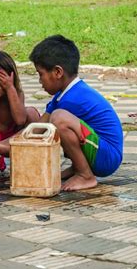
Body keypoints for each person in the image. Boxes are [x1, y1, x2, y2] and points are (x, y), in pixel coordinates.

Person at [26, 35, 123, 191]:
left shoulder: (72, 99)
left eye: (40, 74)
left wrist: (8, 147)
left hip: (108, 157)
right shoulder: (64, 94)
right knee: (57, 117)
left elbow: (43, 129)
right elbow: (39, 126)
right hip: (99, 150)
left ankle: (85, 176)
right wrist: (6, 144)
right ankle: (78, 168)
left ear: (58, 72)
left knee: (59, 119)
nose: (39, 81)